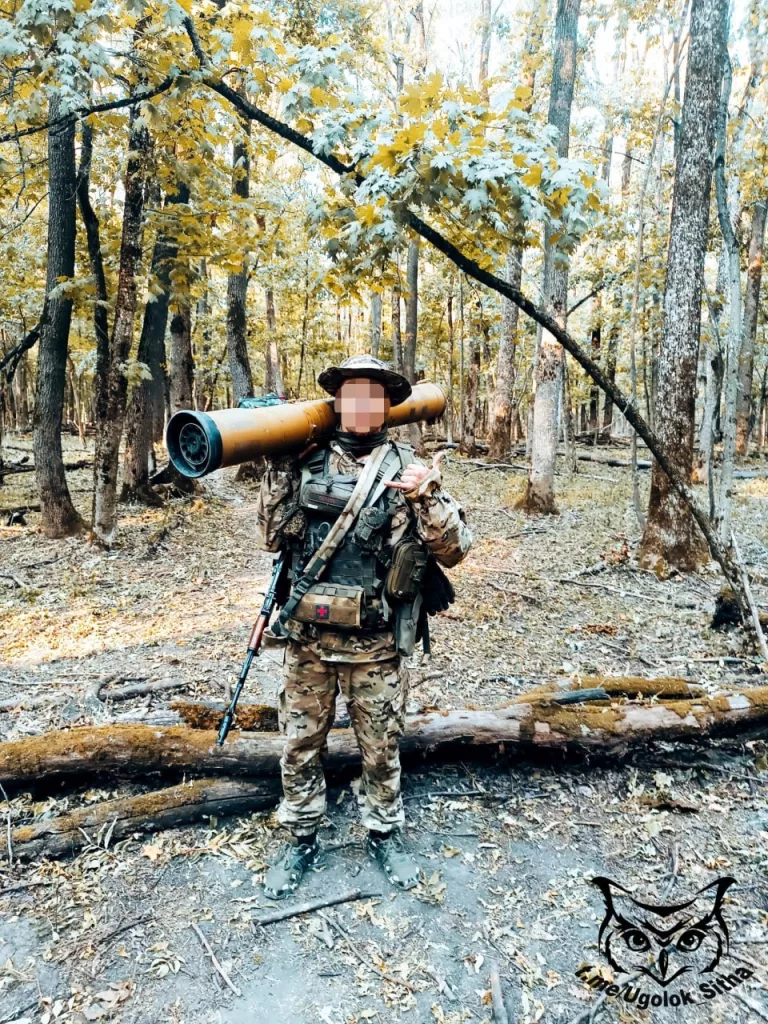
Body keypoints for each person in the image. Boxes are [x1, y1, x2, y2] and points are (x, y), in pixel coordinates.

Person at [256, 355, 472, 899]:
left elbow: (457, 550)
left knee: (381, 747)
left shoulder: (409, 467)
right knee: (301, 744)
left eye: (372, 395)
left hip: (376, 646)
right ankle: (302, 835)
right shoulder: (305, 461)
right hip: (309, 644)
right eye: (351, 394)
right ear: (336, 402)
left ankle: (384, 832)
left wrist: (427, 495)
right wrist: (281, 466)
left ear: (386, 406)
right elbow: (273, 536)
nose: (360, 405)